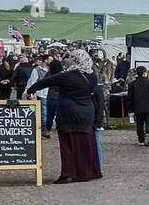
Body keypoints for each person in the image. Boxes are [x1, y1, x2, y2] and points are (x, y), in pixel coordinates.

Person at [27, 49, 101, 183]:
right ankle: (88, 171)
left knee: (68, 143)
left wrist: (30, 91)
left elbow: (44, 82)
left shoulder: (66, 76)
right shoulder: (92, 76)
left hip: (69, 112)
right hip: (87, 111)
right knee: (86, 143)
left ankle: (69, 172)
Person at [127, 65, 149, 145]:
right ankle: (148, 133)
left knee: (139, 123)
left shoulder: (132, 84)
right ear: (145, 73)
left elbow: (129, 98)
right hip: (148, 106)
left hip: (137, 107)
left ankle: (141, 139)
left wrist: (130, 109)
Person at [41, 58, 63, 138]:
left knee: (49, 115)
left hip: (51, 96)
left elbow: (43, 82)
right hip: (61, 96)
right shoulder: (62, 74)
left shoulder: (49, 74)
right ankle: (61, 130)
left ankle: (48, 131)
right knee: (60, 115)